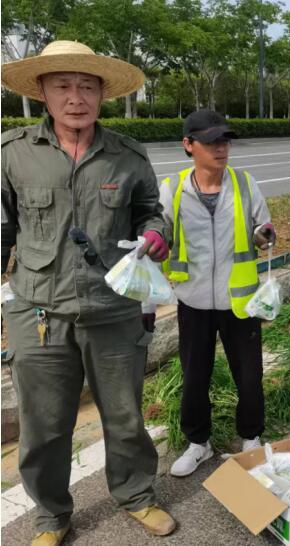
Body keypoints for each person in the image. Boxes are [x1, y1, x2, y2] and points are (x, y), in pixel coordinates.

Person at [1, 41, 176, 545]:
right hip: (39, 311)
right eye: (62, 86)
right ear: (42, 92)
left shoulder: (128, 155)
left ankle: (136, 495)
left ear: (102, 94)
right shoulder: (12, 153)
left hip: (113, 307)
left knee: (124, 415)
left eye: (86, 87)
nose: (75, 98)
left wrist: (156, 233)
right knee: (44, 425)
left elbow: (150, 211)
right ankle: (51, 517)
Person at [161, 110, 275, 478]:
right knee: (195, 375)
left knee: (249, 374)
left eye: (224, 140)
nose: (221, 148)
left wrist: (265, 235)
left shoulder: (244, 184)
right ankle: (199, 443)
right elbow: (161, 232)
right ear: (188, 145)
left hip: (239, 300)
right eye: (211, 141)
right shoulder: (173, 188)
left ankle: (251, 437)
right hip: (193, 300)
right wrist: (154, 243)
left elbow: (262, 227)